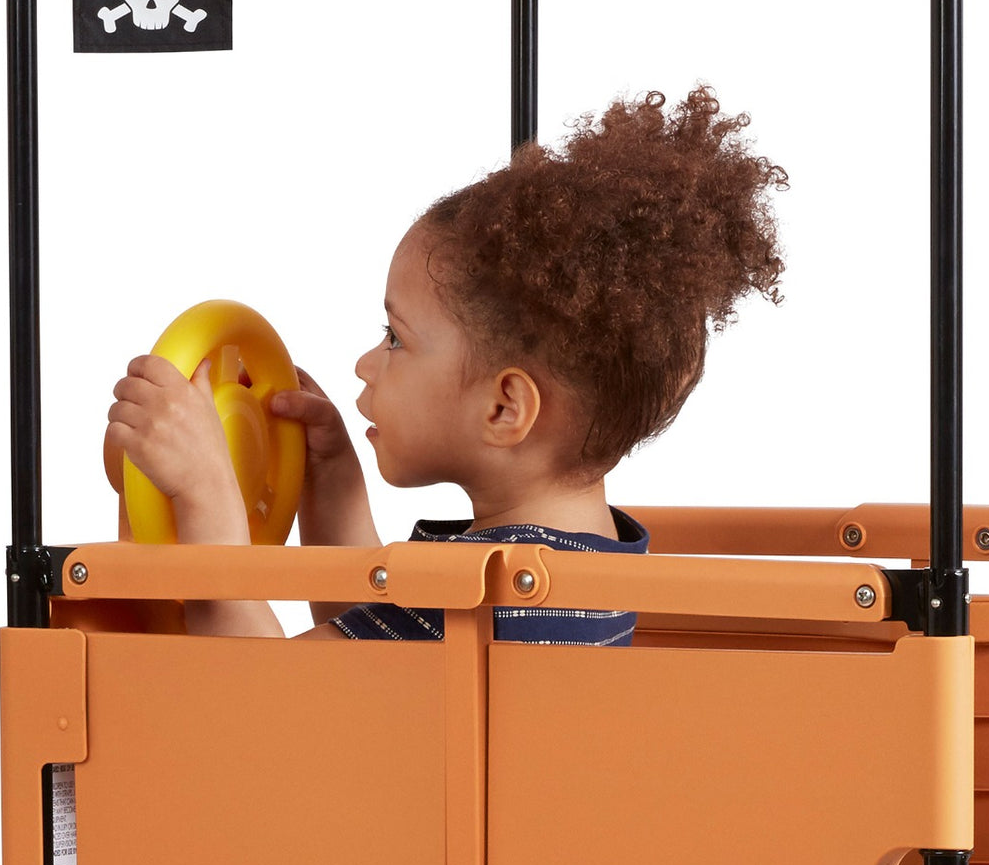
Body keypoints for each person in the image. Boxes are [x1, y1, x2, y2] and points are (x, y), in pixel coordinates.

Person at [105, 87, 787, 641]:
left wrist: (207, 504)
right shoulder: (577, 563)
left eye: (395, 338)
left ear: (503, 408)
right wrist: (335, 483)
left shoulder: (483, 601)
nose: (366, 363)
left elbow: (277, 703)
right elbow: (367, 649)